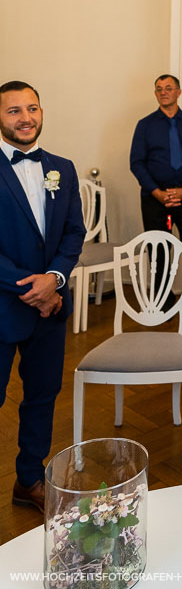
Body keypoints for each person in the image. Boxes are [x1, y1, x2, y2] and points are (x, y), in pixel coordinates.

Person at [0, 80, 85, 512]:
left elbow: (74, 231)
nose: (26, 117)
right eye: (14, 110)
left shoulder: (62, 168)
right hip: (3, 305)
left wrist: (54, 278)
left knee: (42, 395)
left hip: (50, 309)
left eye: (32, 108)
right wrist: (33, 288)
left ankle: (29, 479)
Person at [130, 74, 182, 315]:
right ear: (155, 94)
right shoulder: (145, 125)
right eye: (159, 89)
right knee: (158, 248)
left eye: (168, 88)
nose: (163, 92)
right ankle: (161, 298)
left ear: (178, 92)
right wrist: (157, 192)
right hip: (154, 199)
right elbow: (137, 162)